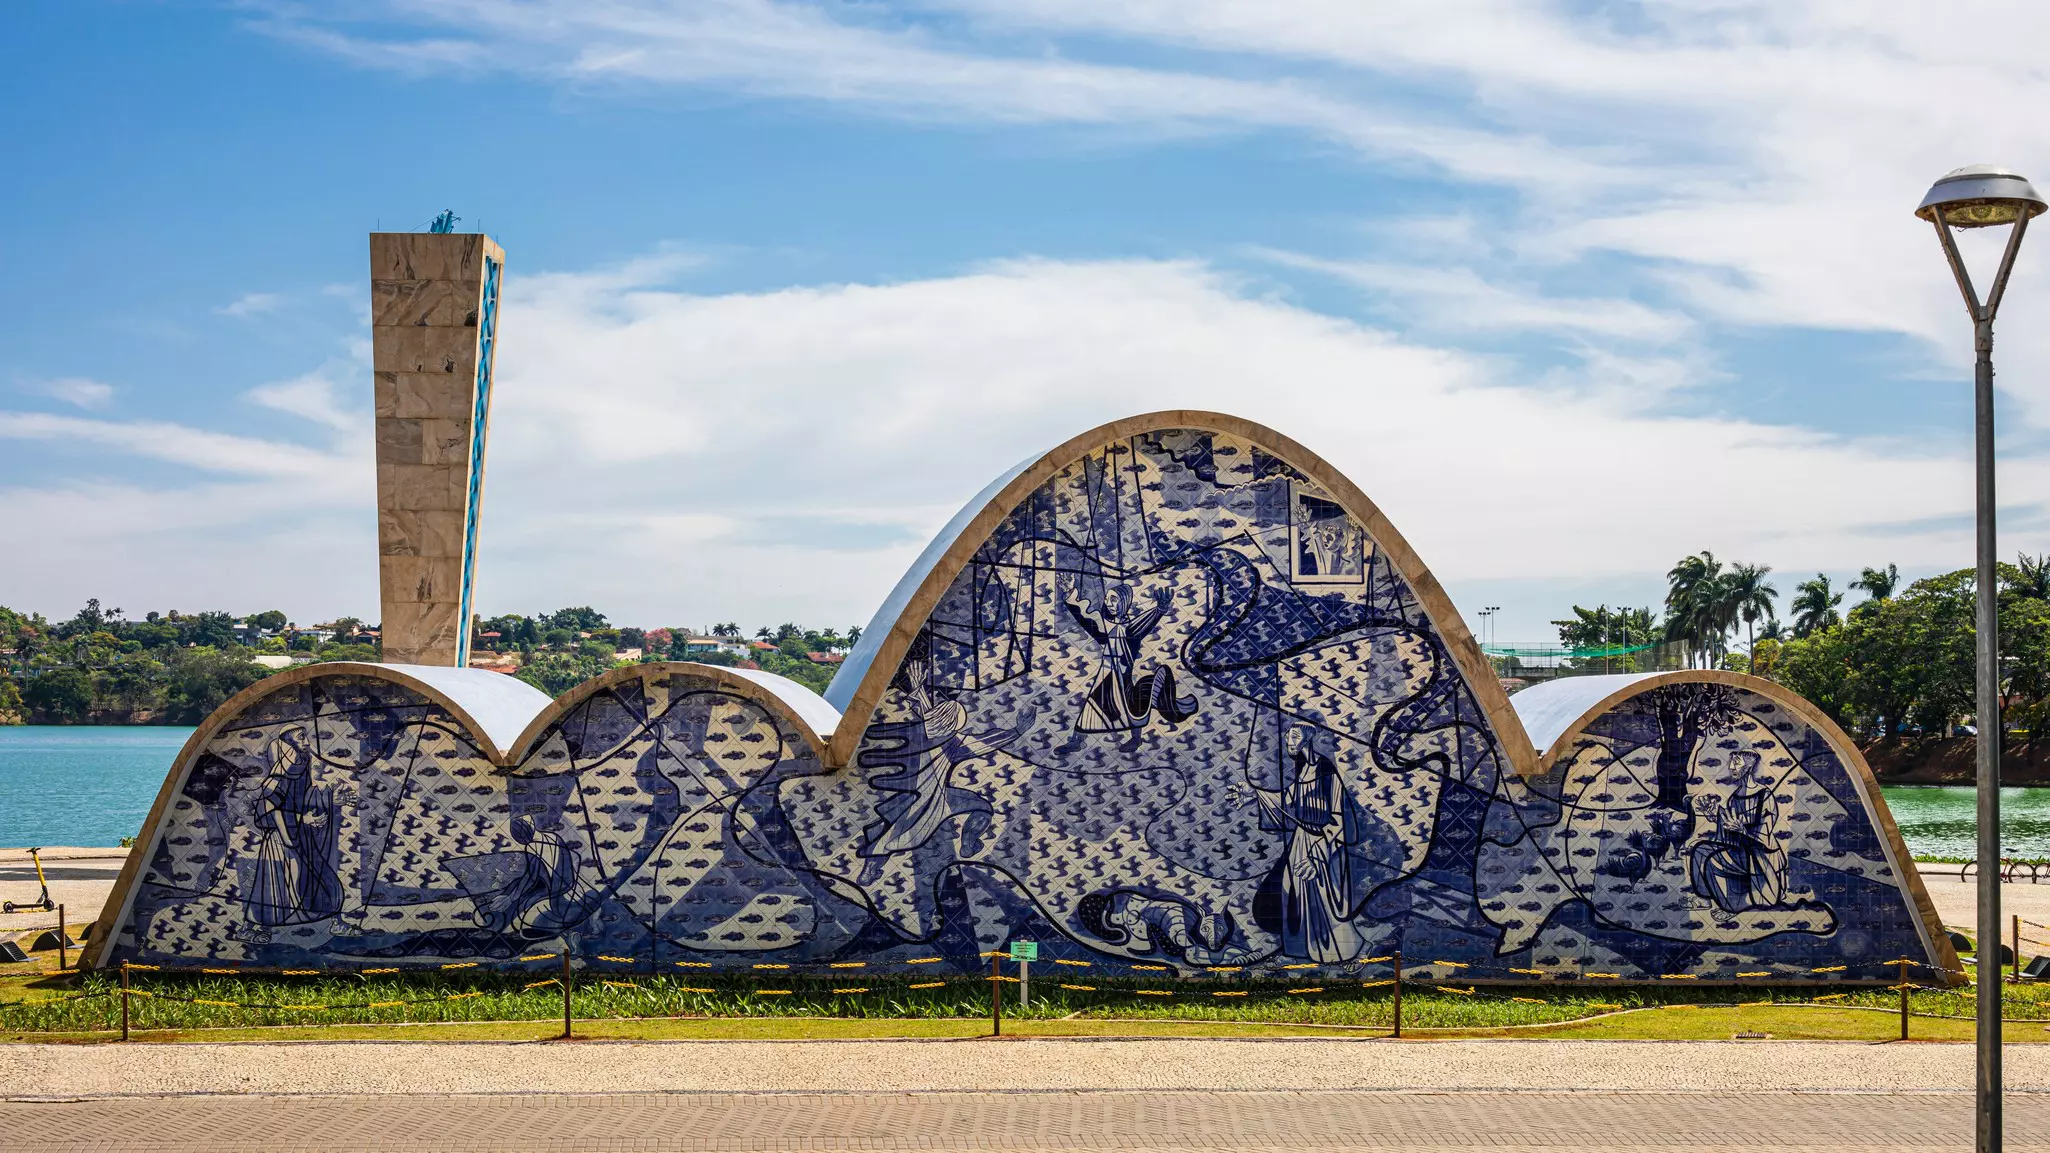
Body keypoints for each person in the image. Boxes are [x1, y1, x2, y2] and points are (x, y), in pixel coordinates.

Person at [861, 667, 1020, 858]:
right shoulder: (955, 743)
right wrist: (1017, 731)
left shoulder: (924, 732)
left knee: (890, 830)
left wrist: (917, 686)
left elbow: (929, 715)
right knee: (983, 808)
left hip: (912, 793)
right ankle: (968, 844)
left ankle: (869, 870)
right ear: (954, 725)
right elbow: (986, 741)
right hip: (937, 798)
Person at [1251, 726, 1366, 963]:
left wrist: (1318, 855)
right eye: (1286, 735)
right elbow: (1286, 799)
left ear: (1308, 739)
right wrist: (1252, 794)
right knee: (1290, 892)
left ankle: (1340, 954)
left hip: (1322, 844)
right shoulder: (1303, 771)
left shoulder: (1326, 772)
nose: (1287, 740)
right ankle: (1295, 953)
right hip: (1300, 842)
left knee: (1321, 900)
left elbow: (1338, 818)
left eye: (1293, 736)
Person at [1060, 577, 1197, 745]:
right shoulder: (1105, 626)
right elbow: (1085, 618)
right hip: (1106, 675)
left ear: (1124, 602)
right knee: (1095, 707)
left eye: (1114, 599)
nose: (1109, 603)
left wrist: (1160, 609)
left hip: (1120, 676)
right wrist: (1069, 594)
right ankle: (1076, 741)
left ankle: (1135, 739)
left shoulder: (1130, 629)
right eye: (1107, 599)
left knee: (1129, 708)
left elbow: (1144, 623)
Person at [242, 730, 346, 938]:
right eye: (300, 738)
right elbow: (264, 814)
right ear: (286, 748)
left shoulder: (299, 774)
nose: (307, 743)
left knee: (323, 879)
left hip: (301, 837)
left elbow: (307, 800)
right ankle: (257, 929)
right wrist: (301, 819)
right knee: (274, 888)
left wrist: (332, 800)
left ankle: (336, 923)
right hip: (279, 839)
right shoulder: (275, 779)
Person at [1687, 749, 1790, 913]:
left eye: (1736, 763)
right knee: (1700, 850)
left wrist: (1743, 830)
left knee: (1713, 858)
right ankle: (1706, 899)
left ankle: (1732, 906)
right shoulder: (1735, 797)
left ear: (1749, 767)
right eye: (1731, 763)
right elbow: (1727, 828)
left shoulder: (1764, 795)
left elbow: (1766, 831)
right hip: (1738, 849)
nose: (1731, 767)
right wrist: (1715, 816)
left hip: (1759, 855)